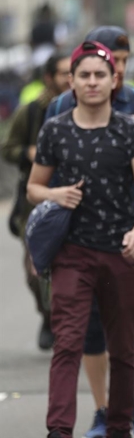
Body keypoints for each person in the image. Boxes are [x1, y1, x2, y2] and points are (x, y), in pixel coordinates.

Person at [44, 25, 134, 438]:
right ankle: (101, 409)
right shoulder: (61, 106)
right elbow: (45, 166)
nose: (116, 72)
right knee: (85, 328)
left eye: (122, 64)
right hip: (76, 238)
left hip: (131, 231)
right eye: (113, 61)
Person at [27, 40, 134, 438]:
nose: (92, 81)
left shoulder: (131, 131)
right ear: (71, 81)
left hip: (122, 252)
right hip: (73, 254)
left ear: (114, 80)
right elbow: (34, 187)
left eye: (100, 75)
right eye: (83, 75)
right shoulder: (55, 130)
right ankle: (59, 430)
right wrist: (55, 194)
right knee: (67, 343)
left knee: (123, 347)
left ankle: (119, 426)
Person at [1, 51, 70, 351]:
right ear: (48, 78)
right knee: (35, 272)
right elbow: (8, 148)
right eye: (63, 74)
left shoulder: (88, 107)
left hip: (76, 203)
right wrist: (28, 154)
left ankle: (72, 327)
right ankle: (47, 316)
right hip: (35, 207)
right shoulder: (31, 112)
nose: (70, 80)